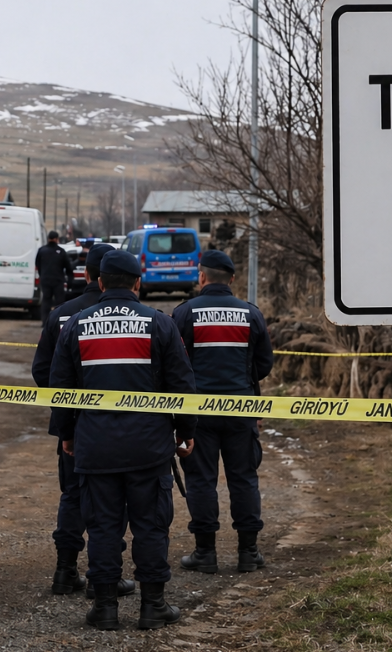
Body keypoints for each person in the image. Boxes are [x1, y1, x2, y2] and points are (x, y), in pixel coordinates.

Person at [51, 250, 196, 631]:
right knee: (151, 525)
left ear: (99, 282)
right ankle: (153, 606)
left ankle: (105, 609)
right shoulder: (160, 323)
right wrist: (186, 431)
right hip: (149, 448)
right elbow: (182, 384)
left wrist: (67, 434)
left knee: (102, 527)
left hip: (95, 447)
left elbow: (60, 388)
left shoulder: (76, 325)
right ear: (138, 283)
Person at [31, 244, 135, 601]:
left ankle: (65, 571)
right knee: (114, 502)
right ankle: (106, 577)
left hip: (74, 426)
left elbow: (42, 371)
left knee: (73, 496)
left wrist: (66, 411)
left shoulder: (62, 314)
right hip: (122, 426)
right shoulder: (135, 316)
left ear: (89, 274)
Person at [171, 250, 274, 575]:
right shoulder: (250, 313)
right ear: (232, 279)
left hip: (197, 412)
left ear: (202, 277)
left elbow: (174, 365)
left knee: (201, 479)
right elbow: (264, 364)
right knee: (243, 478)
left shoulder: (185, 313)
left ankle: (205, 553)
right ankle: (248, 553)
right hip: (241, 409)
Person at [35, 230, 73, 326]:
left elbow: (37, 265)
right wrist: (69, 281)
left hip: (45, 280)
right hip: (58, 280)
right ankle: (58, 322)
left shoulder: (42, 250)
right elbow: (68, 267)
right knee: (59, 302)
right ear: (56, 239)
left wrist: (42, 275)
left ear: (48, 239)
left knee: (46, 301)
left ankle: (45, 322)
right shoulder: (61, 251)